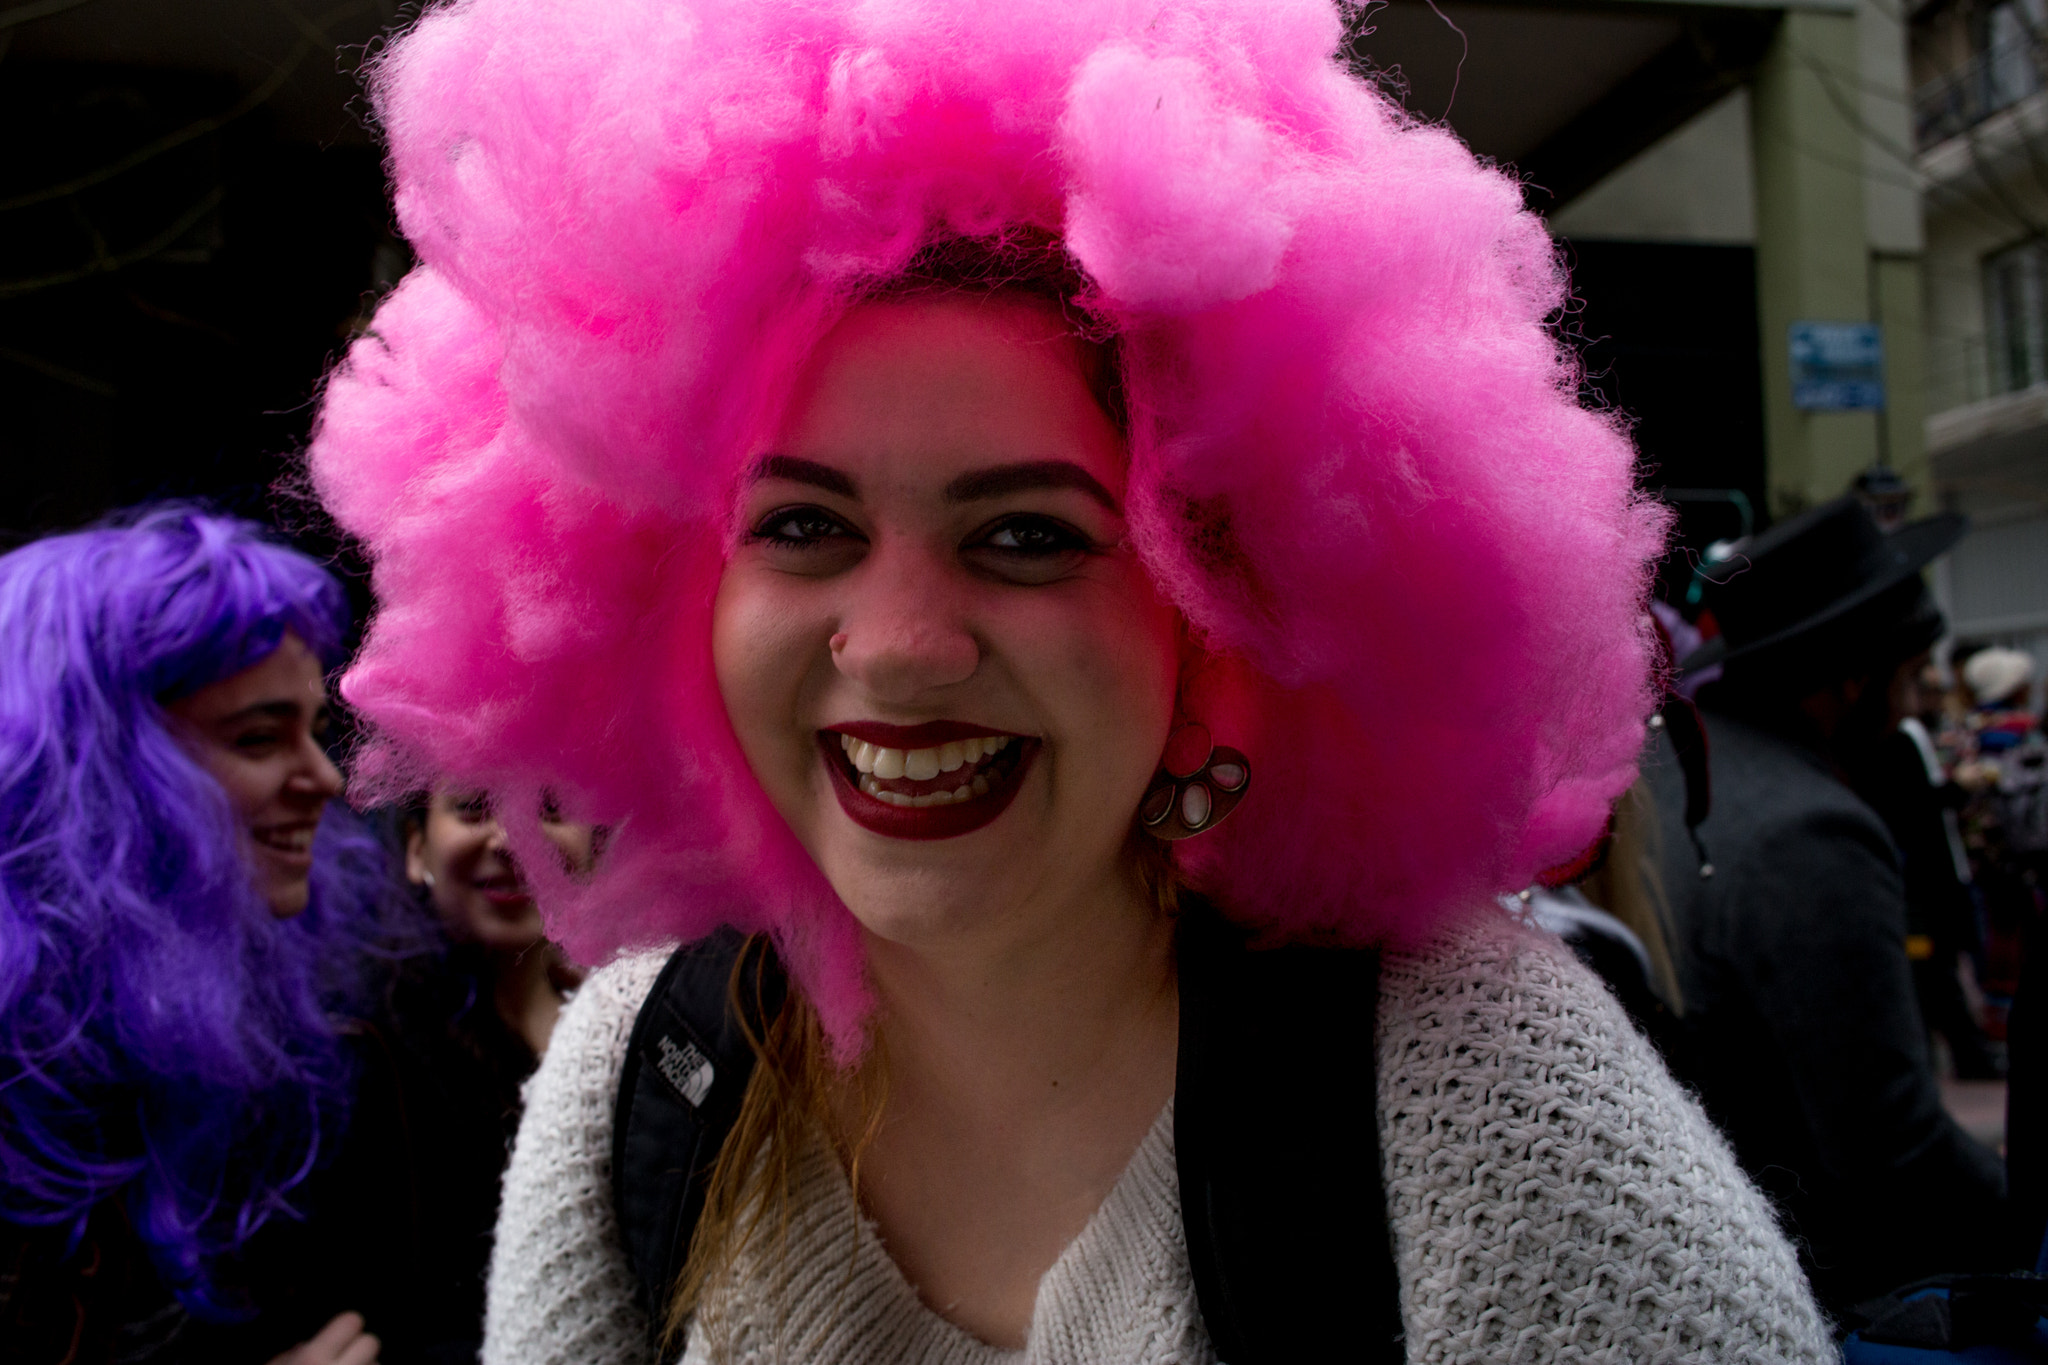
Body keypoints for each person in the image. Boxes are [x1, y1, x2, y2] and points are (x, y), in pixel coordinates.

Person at [309, 0, 1836, 1359]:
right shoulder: (640, 1080)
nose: (900, 641)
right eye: (803, 526)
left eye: (1030, 534)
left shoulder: (1473, 1102)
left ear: (1223, 611)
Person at [0, 507, 396, 1365]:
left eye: (316, 730)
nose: (326, 778)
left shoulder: (282, 1023)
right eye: (259, 737)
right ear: (101, 779)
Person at [1651, 496, 2009, 1316]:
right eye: (1907, 679)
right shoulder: (1809, 831)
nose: (1914, 706)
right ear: (1849, 679)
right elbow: (1892, 1151)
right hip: (1802, 1290)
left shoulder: (1667, 767)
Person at [375, 787, 593, 1358]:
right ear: (416, 847)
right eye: (472, 806)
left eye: (551, 807)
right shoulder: (372, 1047)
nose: (512, 837)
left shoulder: (627, 1023)